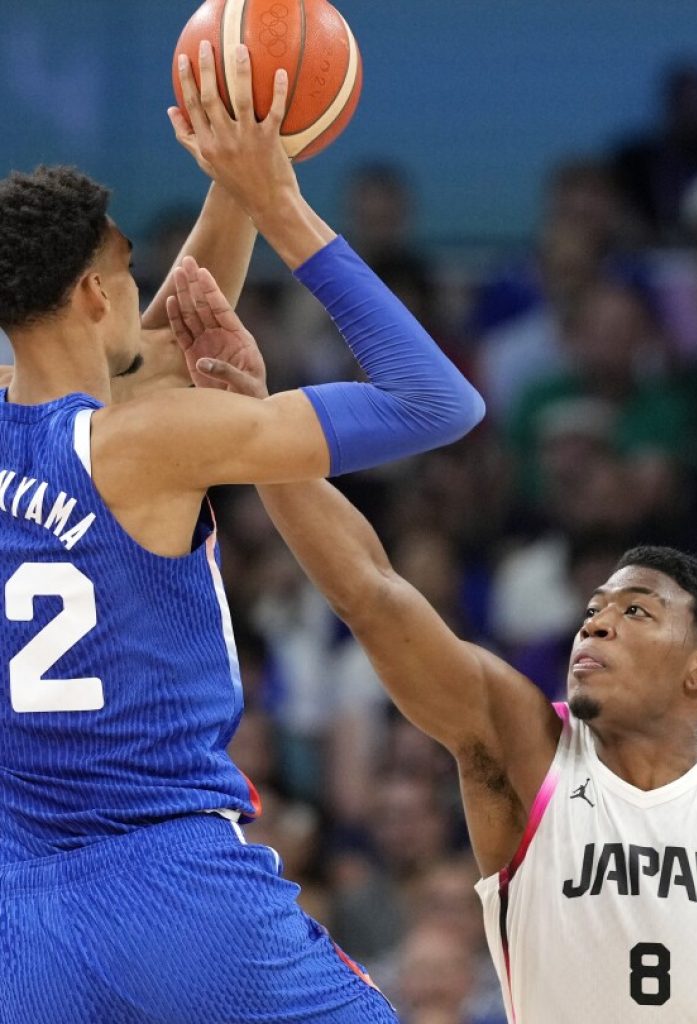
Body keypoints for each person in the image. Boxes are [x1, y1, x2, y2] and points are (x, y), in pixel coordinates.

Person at [169, 258, 697, 1021]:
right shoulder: (526, 746)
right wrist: (262, 428)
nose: (598, 624)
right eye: (593, 612)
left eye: (636, 613)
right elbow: (371, 591)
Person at [0, 41, 483, 1024]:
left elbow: (163, 345)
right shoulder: (149, 445)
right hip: (176, 892)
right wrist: (284, 209)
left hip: (20, 927)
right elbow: (436, 401)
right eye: (128, 269)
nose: (149, 289)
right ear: (95, 295)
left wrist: (232, 184)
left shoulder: (78, 428)